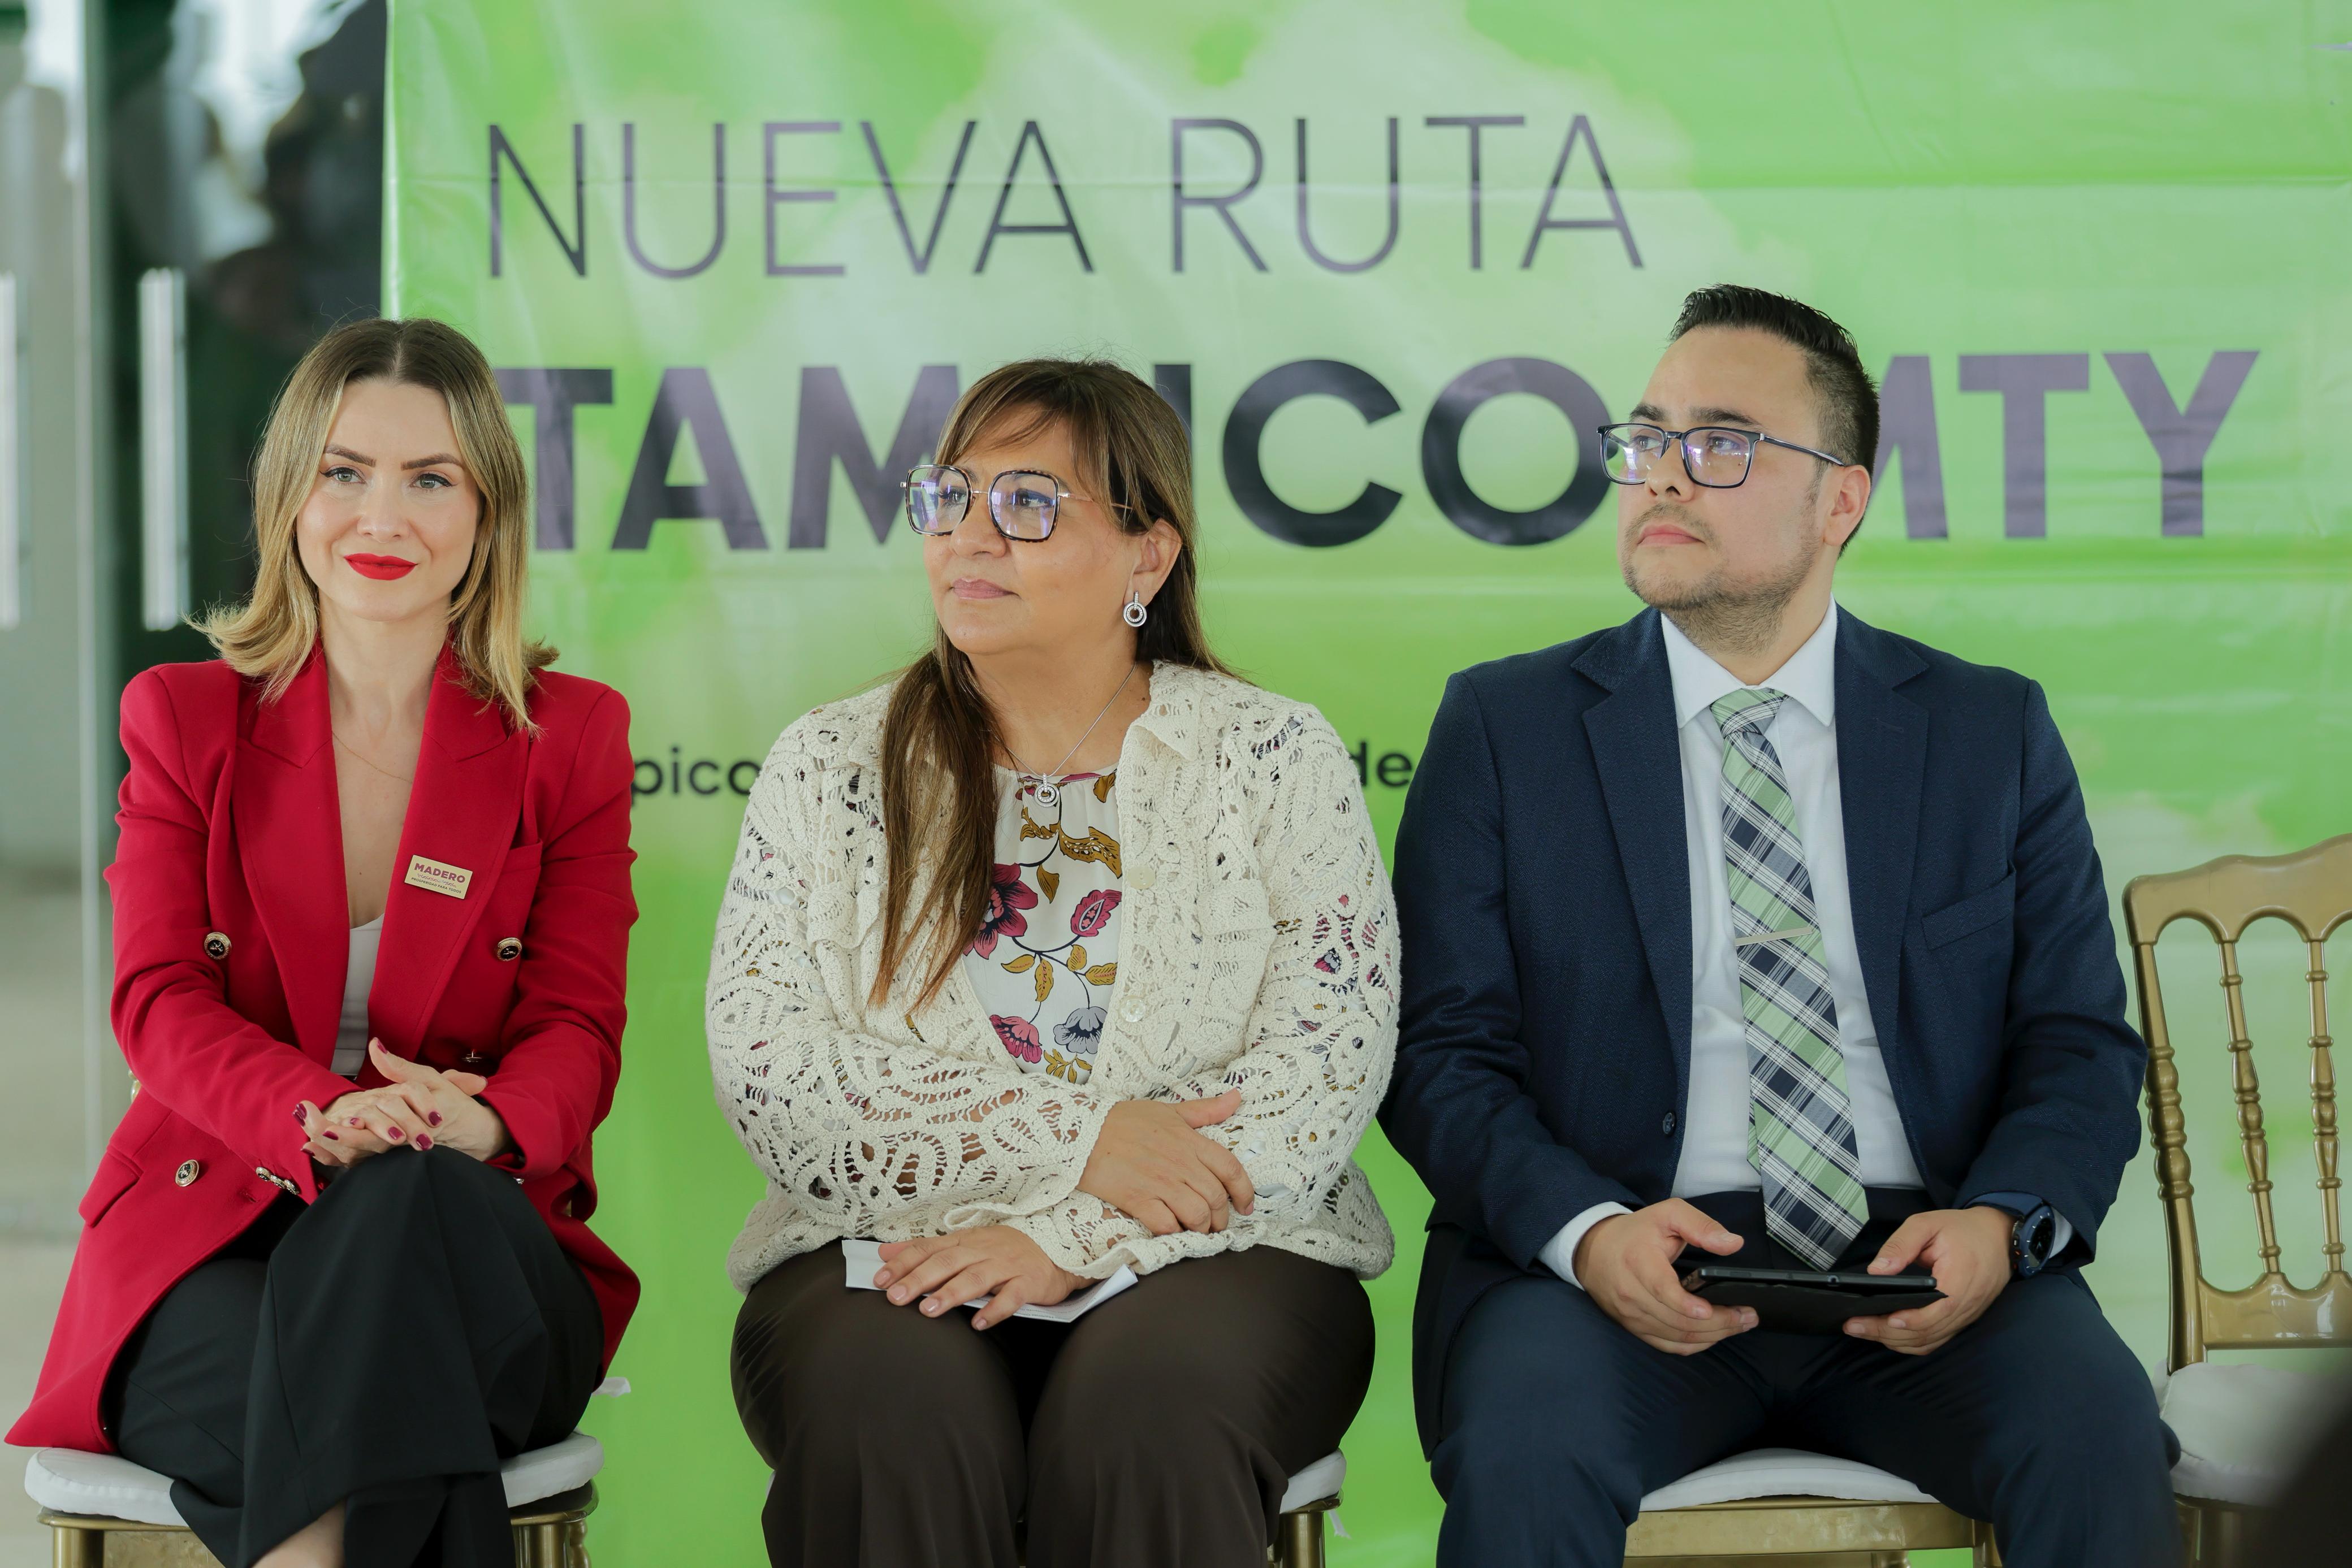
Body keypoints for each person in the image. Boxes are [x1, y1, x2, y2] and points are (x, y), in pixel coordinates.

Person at [1380, 284, 2179, 1566]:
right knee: (1526, 1448)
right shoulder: (1505, 729)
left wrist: (1997, 1225)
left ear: (1839, 500)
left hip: (1922, 1264)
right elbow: (1440, 1054)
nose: (1662, 475)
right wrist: (1588, 1235)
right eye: (1647, 439)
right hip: (1617, 1270)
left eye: (1721, 443)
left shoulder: (1988, 733)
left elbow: (2078, 1041)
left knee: (2098, 1434)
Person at [708, 357, 1396, 1568]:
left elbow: (1322, 1072)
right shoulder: (827, 764)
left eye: (1028, 503)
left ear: (1148, 557)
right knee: (889, 1413)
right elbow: (771, 1070)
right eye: (949, 497)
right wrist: (1079, 1141)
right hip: (887, 1245)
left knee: (1150, 1412)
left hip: (1222, 1255)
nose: (970, 536)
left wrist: (1074, 1235)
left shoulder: (1274, 756)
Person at [8, 318, 639, 1568]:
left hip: (476, 1244)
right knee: (375, 1422)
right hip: (214, 1237)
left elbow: (578, 1023)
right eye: (344, 471)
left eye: (430, 479)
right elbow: (157, 999)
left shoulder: (568, 737)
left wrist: (479, 1124)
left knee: (406, 1201)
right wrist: (323, 1113)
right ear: (290, 494)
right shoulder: (183, 718)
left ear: (488, 511)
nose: (381, 516)